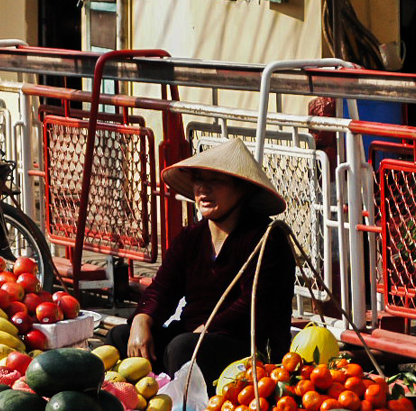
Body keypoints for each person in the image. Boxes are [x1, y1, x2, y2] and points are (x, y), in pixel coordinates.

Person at [107, 138, 295, 391]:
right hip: (190, 338)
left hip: (247, 348)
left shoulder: (268, 238)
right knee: (120, 337)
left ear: (242, 190)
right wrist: (143, 319)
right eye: (198, 180)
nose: (203, 189)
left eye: (216, 181)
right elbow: (163, 288)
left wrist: (207, 329)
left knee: (183, 348)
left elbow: (254, 305)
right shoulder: (191, 237)